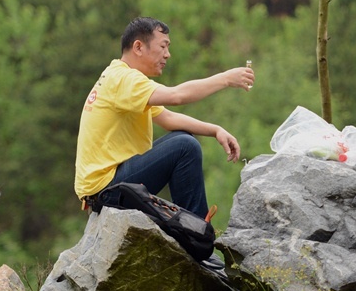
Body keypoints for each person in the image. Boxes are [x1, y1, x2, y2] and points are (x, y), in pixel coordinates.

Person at [74, 17, 255, 221]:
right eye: (163, 46)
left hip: (108, 188)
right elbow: (176, 96)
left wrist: (215, 130)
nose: (167, 54)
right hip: (107, 191)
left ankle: (191, 233)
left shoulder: (121, 78)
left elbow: (167, 118)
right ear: (138, 47)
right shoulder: (123, 79)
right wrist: (225, 79)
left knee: (181, 139)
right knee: (184, 146)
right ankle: (197, 236)